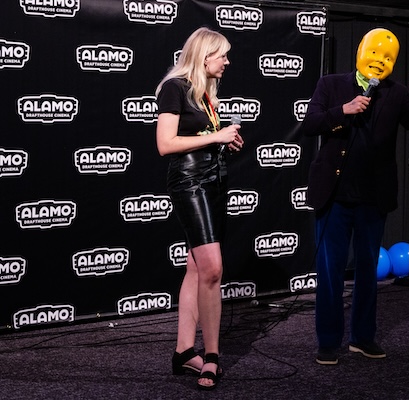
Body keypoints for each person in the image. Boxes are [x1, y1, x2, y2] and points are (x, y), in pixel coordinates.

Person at [300, 28, 409, 365]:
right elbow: (310, 124)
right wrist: (344, 110)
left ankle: (362, 337)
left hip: (373, 197)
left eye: (388, 57)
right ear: (360, 51)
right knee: (330, 271)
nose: (380, 61)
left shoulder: (396, 93)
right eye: (375, 53)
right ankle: (328, 341)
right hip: (334, 196)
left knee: (368, 271)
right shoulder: (330, 84)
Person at [155, 27, 244, 390]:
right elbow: (165, 144)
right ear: (205, 56)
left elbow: (200, 139)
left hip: (215, 182)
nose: (227, 61)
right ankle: (212, 357)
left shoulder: (206, 92)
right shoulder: (174, 87)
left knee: (195, 267)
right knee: (212, 269)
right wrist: (217, 136)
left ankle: (182, 352)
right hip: (189, 183)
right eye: (222, 55)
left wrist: (224, 142)